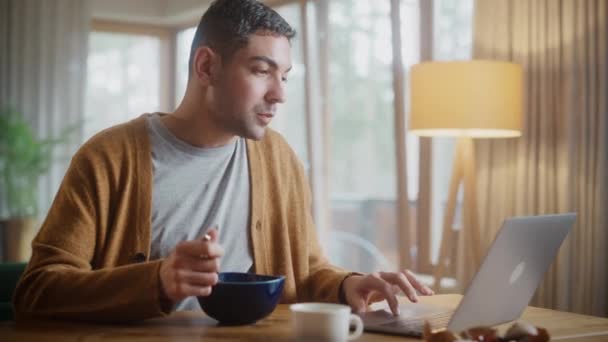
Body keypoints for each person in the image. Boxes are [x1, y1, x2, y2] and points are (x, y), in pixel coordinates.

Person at [13, 0, 432, 322]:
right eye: (261, 70)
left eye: (284, 76)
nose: (279, 94)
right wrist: (157, 281)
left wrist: (349, 285)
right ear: (207, 66)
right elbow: (37, 291)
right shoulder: (107, 158)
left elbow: (305, 268)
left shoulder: (279, 159)